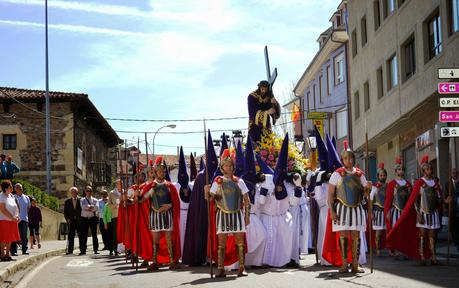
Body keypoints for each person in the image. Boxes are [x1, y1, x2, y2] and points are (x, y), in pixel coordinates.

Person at [324, 140, 372, 273]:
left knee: (356, 236)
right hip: (342, 209)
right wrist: (332, 211)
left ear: (353, 159)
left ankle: (355, 264)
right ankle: (345, 263)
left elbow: (366, 194)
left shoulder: (360, 174)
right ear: (342, 160)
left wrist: (368, 187)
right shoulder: (337, 174)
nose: (348, 160)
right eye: (345, 158)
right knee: (343, 236)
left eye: (350, 157)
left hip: (357, 208)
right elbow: (330, 195)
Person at [386, 155, 442, 265]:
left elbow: (438, 198)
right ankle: (418, 255)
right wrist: (388, 211)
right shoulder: (418, 183)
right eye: (426, 169)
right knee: (421, 235)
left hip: (432, 212)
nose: (429, 171)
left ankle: (432, 256)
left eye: (430, 168)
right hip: (409, 211)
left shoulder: (413, 183)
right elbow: (414, 199)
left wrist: (444, 199)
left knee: (431, 236)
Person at [205, 148, 250, 278]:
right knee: (222, 243)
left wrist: (247, 216)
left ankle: (242, 267)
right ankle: (221, 268)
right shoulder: (217, 182)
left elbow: (247, 199)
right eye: (226, 165)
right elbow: (210, 199)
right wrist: (206, 192)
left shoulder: (239, 181)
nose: (229, 168)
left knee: (239, 242)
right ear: (222, 167)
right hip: (222, 215)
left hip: (237, 214)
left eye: (231, 165)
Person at [256, 135, 296, 268]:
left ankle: (285, 260)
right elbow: (260, 202)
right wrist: (265, 192)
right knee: (267, 239)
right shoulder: (265, 183)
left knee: (283, 240)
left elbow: (294, 202)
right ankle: (265, 261)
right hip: (267, 218)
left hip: (283, 218)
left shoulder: (288, 186)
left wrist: (299, 188)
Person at [143, 156, 180, 271]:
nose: (162, 172)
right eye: (159, 171)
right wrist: (137, 195)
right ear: (155, 172)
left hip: (167, 215)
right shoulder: (151, 186)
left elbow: (176, 202)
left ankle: (172, 261)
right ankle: (154, 261)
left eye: (163, 171)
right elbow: (143, 199)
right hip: (155, 215)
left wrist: (169, 205)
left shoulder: (169, 186)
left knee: (169, 239)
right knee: (155, 241)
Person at [384, 156, 412, 259]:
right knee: (396, 230)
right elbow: (388, 199)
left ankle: (404, 250)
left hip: (405, 211)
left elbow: (410, 199)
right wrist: (387, 212)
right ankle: (396, 249)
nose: (401, 171)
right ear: (396, 171)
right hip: (396, 210)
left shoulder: (408, 184)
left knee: (404, 230)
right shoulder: (392, 184)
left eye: (402, 169)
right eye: (399, 169)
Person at [0, 180, 20, 261]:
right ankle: (2, 255)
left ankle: (8, 254)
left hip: (13, 221)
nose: (12, 188)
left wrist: (17, 216)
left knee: (10, 238)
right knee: (4, 238)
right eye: (10, 186)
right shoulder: (1, 196)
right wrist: (12, 217)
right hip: (4, 220)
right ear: (5, 188)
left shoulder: (11, 196)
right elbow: (3, 209)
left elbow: (16, 207)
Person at [370, 163, 387, 256]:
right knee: (378, 232)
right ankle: (378, 249)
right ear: (378, 176)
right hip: (378, 211)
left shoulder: (388, 186)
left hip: (387, 211)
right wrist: (371, 212)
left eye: (384, 175)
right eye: (381, 175)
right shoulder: (374, 187)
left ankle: (390, 249)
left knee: (388, 231)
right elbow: (371, 200)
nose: (383, 176)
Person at [79, 186, 99, 255]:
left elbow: (96, 208)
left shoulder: (95, 200)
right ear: (85, 192)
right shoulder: (82, 199)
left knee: (94, 235)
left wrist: (88, 207)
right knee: (83, 235)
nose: (89, 192)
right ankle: (82, 250)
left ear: (92, 192)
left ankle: (96, 249)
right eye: (87, 190)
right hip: (84, 218)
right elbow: (83, 207)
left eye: (90, 190)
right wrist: (91, 207)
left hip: (92, 218)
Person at [12, 183, 30, 255]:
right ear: (15, 189)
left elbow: (28, 208)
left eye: (21, 187)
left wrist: (23, 215)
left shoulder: (26, 197)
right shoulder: (13, 197)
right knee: (15, 235)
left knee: (24, 236)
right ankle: (14, 251)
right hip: (15, 219)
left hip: (24, 219)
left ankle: (24, 250)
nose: (20, 189)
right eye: (18, 187)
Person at [64, 187, 82, 255]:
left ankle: (82, 250)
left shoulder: (81, 200)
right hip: (71, 221)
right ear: (70, 193)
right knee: (71, 236)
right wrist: (67, 219)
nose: (73, 193)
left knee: (81, 236)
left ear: (77, 193)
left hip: (79, 220)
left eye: (75, 192)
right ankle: (70, 250)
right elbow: (65, 212)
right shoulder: (67, 201)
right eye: (72, 192)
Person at [444, 168, 459, 251]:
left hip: (458, 208)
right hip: (452, 209)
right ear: (451, 174)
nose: (455, 174)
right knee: (453, 228)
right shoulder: (447, 184)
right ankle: (456, 242)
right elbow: (444, 196)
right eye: (453, 173)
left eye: (456, 173)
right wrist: (446, 202)